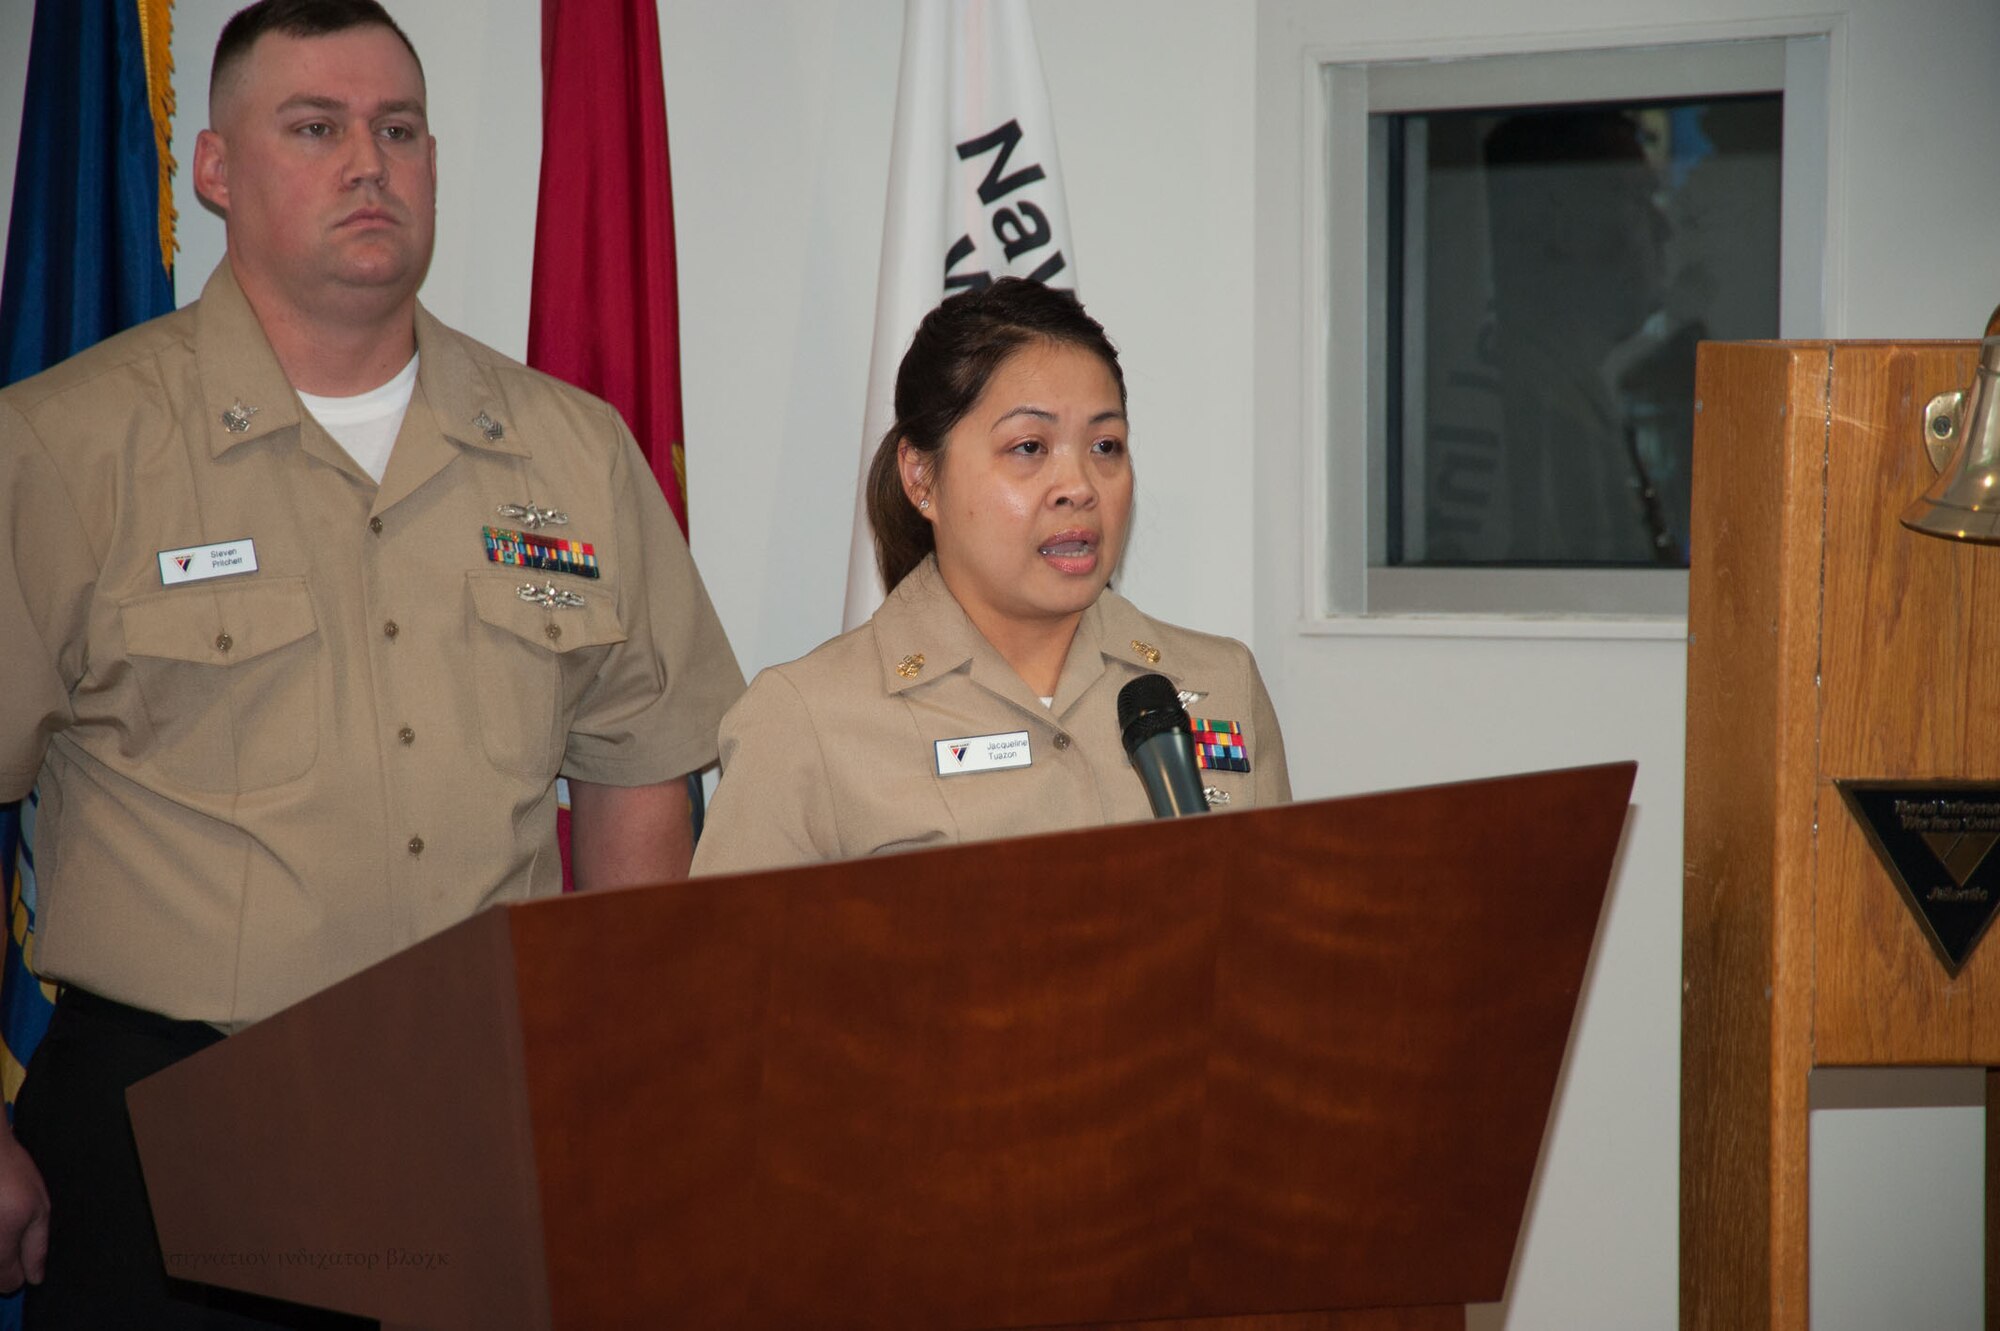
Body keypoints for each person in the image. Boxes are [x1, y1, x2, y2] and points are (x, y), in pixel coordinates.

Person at [0, 1, 744, 1324]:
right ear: (215, 168)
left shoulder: (572, 453)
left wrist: (625, 1079)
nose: (369, 163)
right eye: (317, 127)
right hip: (172, 1131)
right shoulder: (67, 449)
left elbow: (638, 782)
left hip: (487, 1130)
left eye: (399, 130)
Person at [691, 279, 1289, 876]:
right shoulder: (805, 721)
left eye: (1105, 445)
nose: (1079, 486)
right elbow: (730, 969)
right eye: (1029, 447)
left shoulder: (1219, 681)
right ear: (922, 477)